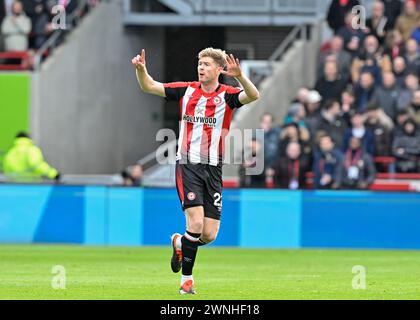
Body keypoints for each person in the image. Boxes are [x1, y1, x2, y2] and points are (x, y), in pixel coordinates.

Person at [132, 48, 260, 294]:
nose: (201, 67)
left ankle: (180, 242)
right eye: (199, 63)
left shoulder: (228, 95)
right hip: (188, 164)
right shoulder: (186, 90)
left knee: (209, 234)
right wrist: (141, 70)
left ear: (219, 69)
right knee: (196, 223)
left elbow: (254, 95)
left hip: (213, 169)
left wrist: (241, 77)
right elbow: (149, 86)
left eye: (207, 64)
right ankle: (186, 281)